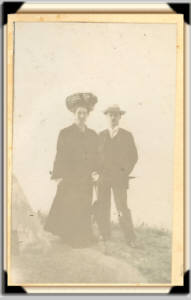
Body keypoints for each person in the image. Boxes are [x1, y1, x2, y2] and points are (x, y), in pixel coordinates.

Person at [45, 93, 99, 248]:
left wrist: (95, 172)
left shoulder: (92, 135)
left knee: (84, 205)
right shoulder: (65, 133)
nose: (81, 116)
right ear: (74, 114)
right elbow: (60, 154)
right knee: (70, 204)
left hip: (86, 177)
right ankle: (70, 236)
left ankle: (83, 235)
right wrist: (58, 176)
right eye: (78, 113)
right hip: (70, 176)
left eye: (84, 113)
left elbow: (96, 157)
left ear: (88, 115)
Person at [94, 104, 138, 247]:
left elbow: (133, 157)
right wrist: (95, 173)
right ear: (106, 117)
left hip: (119, 178)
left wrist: (124, 172)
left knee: (121, 208)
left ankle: (130, 238)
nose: (113, 117)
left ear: (120, 117)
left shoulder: (126, 135)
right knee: (103, 205)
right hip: (103, 178)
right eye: (110, 114)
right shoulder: (100, 136)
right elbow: (94, 157)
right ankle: (104, 234)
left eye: (115, 114)